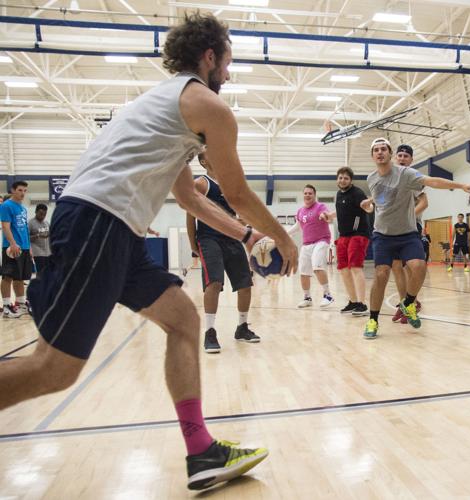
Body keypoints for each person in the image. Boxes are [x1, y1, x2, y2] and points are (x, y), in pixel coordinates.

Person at [0, 13, 298, 491]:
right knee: (54, 369)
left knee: (183, 320)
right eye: (228, 62)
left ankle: (201, 453)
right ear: (209, 57)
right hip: (99, 223)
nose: (230, 73)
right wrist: (283, 237)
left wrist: (247, 238)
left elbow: (189, 197)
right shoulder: (206, 105)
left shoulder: (162, 106)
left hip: (114, 228)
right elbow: (237, 192)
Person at [361, 137, 470, 339]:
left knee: (419, 266)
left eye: (383, 149)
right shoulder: (372, 179)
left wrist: (460, 185)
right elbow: (381, 201)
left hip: (407, 233)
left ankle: (409, 303)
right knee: (381, 275)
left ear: (390, 153)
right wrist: (369, 206)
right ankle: (373, 320)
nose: (380, 152)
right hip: (383, 236)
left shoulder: (406, 174)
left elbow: (432, 181)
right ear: (372, 156)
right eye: (376, 150)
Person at [187, 152, 260, 354]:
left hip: (232, 238)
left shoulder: (229, 183)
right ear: (203, 161)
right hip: (209, 239)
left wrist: (248, 228)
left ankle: (242, 328)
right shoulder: (201, 184)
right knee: (214, 283)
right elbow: (190, 214)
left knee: (245, 284)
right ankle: (210, 331)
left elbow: (238, 214)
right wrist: (193, 243)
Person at [325, 167, 369, 316]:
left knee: (356, 267)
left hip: (358, 234)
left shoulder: (357, 193)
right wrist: (329, 216)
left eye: (346, 178)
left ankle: (362, 304)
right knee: (344, 269)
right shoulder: (338, 194)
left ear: (350, 180)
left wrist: (369, 207)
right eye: (340, 177)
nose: (342, 180)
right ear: (337, 179)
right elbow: (340, 211)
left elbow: (367, 206)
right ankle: (353, 301)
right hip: (343, 236)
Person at [391, 144, 428, 324]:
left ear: (411, 160)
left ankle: (410, 300)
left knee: (414, 267)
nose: (403, 158)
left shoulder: (413, 179)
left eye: (406, 156)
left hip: (412, 227)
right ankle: (404, 303)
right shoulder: (389, 178)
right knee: (396, 267)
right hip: (393, 229)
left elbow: (424, 203)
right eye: (400, 155)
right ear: (395, 158)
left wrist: (408, 217)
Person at [288, 185, 334, 308]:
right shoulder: (300, 211)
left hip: (321, 241)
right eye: (306, 193)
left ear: (314, 195)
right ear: (303, 195)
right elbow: (298, 226)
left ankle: (328, 295)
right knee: (303, 273)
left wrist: (324, 216)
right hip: (306, 244)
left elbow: (326, 214)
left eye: (310, 193)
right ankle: (307, 298)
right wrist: (286, 233)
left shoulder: (320, 206)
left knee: (317, 267)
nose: (308, 195)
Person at [1, 181, 33, 318]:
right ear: (13, 190)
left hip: (24, 247)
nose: (23, 193)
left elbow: (25, 229)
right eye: (20, 190)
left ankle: (20, 303)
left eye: (25, 191)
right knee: (8, 276)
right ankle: (7, 306)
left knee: (20, 277)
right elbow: (6, 227)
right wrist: (13, 243)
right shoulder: (6, 206)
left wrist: (29, 247)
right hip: (12, 246)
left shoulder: (23, 208)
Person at [28, 203, 51, 276]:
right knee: (41, 274)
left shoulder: (46, 223)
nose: (43, 216)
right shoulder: (30, 223)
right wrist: (38, 235)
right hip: (37, 253)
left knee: (48, 273)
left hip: (48, 252)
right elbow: (26, 238)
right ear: (36, 212)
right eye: (41, 214)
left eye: (44, 214)